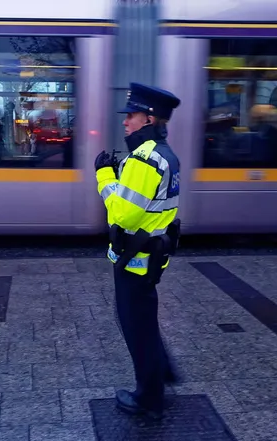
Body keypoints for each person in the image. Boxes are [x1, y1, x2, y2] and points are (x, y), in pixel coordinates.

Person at [94, 82, 182, 420]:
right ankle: (163, 372)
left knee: (137, 328)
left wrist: (104, 176)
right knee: (143, 322)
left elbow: (121, 213)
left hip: (134, 262)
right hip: (150, 259)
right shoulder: (164, 154)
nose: (125, 122)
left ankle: (149, 398)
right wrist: (121, 176)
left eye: (130, 115)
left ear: (148, 118)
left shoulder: (144, 158)